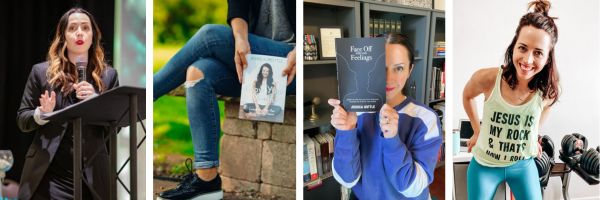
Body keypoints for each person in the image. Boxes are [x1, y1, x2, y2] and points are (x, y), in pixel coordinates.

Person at [154, 0, 296, 199]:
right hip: (254, 58)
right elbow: (238, 5)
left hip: (293, 58)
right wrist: (240, 39)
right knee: (197, 73)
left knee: (209, 35)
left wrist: (302, 51)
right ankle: (207, 181)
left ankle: (144, 95)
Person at [16, 8, 119, 199]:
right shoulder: (41, 73)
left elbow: (115, 128)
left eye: (85, 28)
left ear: (93, 35)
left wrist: (97, 104)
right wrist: (41, 114)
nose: (79, 32)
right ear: (63, 36)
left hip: (92, 174)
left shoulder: (108, 76)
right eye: (72, 28)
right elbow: (23, 119)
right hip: (49, 174)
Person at [463, 0, 559, 199]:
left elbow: (548, 106)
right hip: (484, 166)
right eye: (523, 48)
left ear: (548, 58)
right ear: (514, 46)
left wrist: (534, 134)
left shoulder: (547, 91)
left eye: (538, 53)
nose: (528, 60)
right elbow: (467, 96)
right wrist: (476, 130)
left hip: (522, 166)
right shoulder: (487, 79)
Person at [328, 33, 443, 199]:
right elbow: (346, 179)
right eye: (381, 68)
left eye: (399, 68)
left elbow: (413, 188)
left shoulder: (426, 119)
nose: (389, 78)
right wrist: (346, 132)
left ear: (410, 69)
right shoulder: (355, 112)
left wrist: (392, 140)